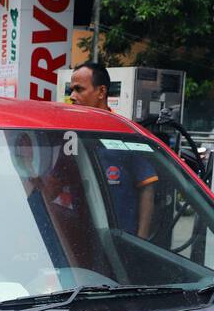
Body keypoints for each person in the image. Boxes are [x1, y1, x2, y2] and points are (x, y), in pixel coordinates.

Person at [67, 61, 157, 238]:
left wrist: (141, 239)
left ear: (101, 91)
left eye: (79, 89)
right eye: (71, 90)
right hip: (80, 237)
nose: (72, 96)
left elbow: (147, 186)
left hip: (118, 240)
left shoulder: (122, 132)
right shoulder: (69, 134)